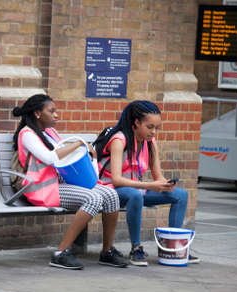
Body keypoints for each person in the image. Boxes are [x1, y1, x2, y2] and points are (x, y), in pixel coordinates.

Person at [12, 94, 128, 270]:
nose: (56, 115)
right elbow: (49, 157)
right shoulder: (26, 134)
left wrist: (87, 154)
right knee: (94, 199)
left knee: (111, 195)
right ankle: (60, 253)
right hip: (41, 189)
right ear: (37, 113)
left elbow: (64, 160)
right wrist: (79, 144)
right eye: (51, 111)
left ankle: (107, 252)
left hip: (61, 183)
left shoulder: (50, 132)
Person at [96, 100, 199, 266]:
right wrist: (150, 186)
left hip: (136, 188)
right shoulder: (119, 140)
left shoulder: (150, 143)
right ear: (137, 123)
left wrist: (165, 184)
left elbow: (158, 176)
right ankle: (136, 248)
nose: (154, 132)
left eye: (157, 128)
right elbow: (116, 179)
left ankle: (174, 247)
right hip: (110, 190)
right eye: (150, 127)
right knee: (135, 195)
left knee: (180, 195)